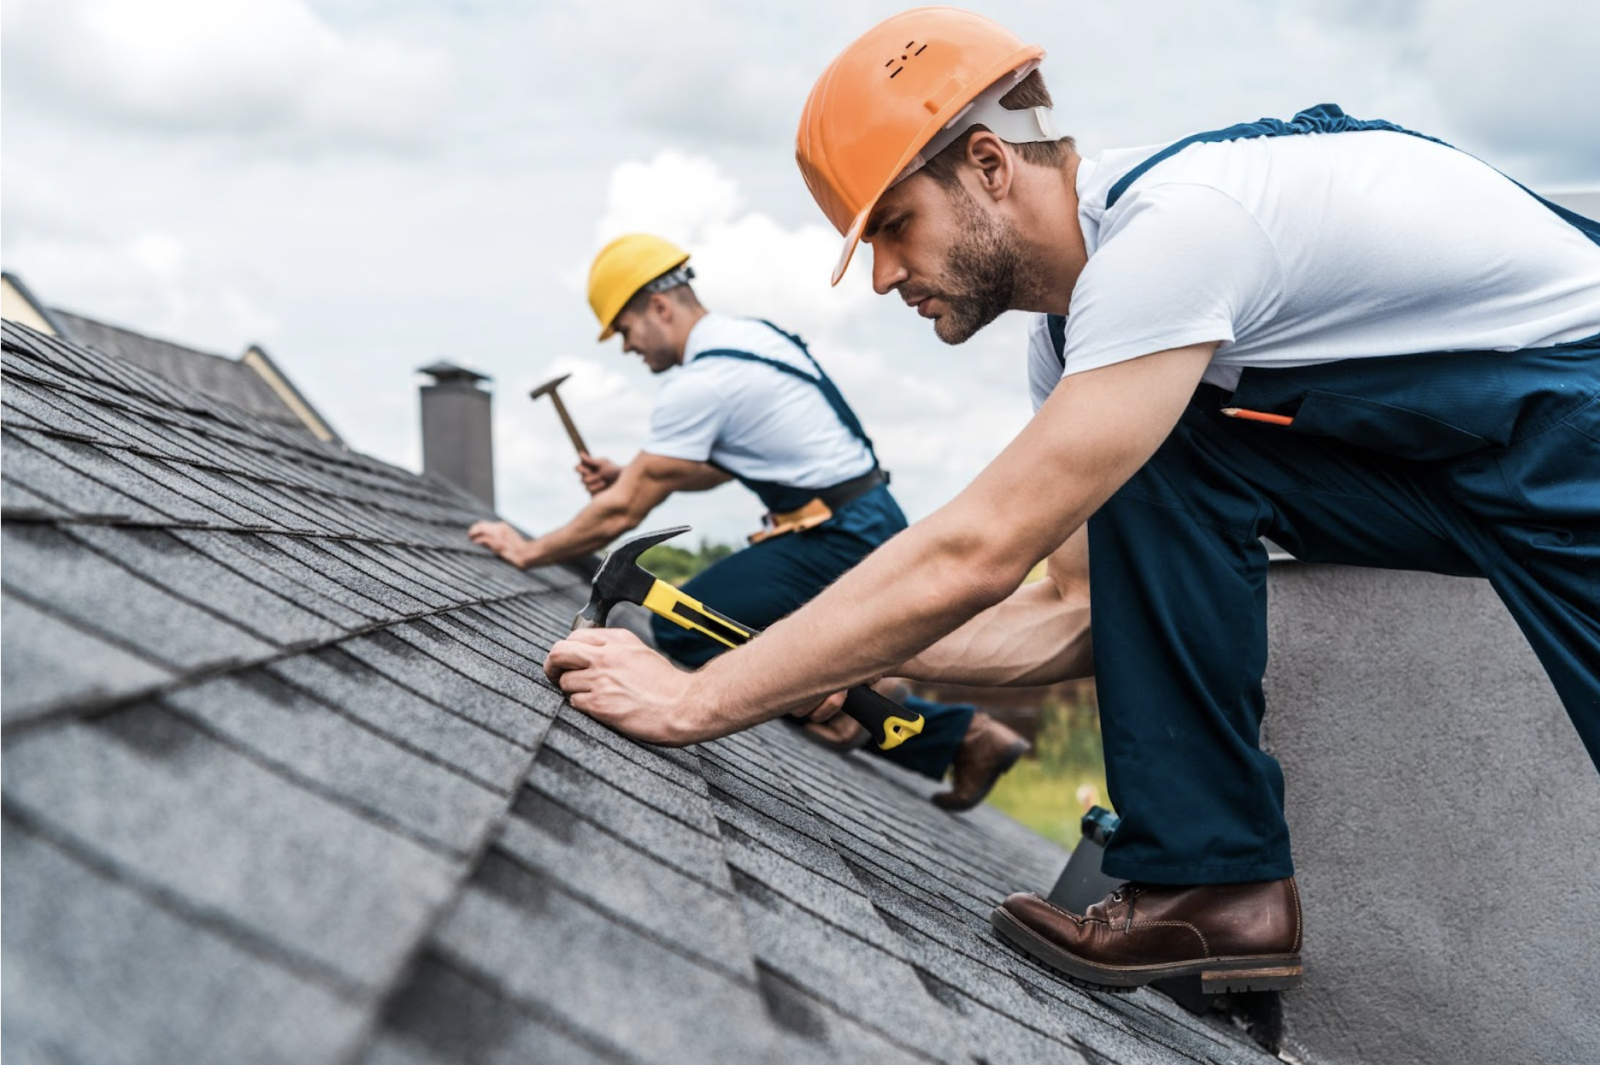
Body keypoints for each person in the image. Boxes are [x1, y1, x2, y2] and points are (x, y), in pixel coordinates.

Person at [542, 7, 1600, 995]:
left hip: (1572, 421)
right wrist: (840, 660)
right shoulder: (1086, 349)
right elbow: (1078, 612)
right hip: (1469, 463)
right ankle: (1214, 882)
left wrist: (701, 697)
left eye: (894, 225)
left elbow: (976, 553)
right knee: (1167, 453)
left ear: (989, 166)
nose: (880, 278)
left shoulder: (1174, 236)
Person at [469, 232, 1030, 810]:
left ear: (659, 307)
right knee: (766, 642)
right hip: (860, 520)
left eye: (626, 330)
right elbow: (711, 468)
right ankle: (924, 722)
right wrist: (631, 473)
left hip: (837, 536)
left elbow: (624, 509)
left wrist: (528, 549)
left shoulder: (703, 381)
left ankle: (891, 714)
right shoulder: (751, 340)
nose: (627, 348)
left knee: (681, 629)